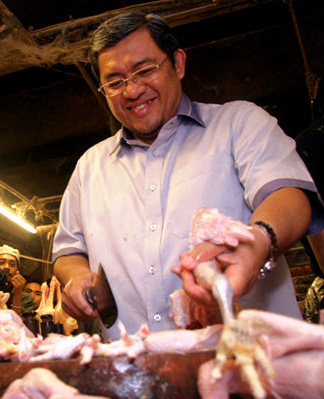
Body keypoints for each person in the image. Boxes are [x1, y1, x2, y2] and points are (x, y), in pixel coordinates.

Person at [52, 11, 323, 341]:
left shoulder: (238, 124)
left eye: (144, 70)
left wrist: (258, 241)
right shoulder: (89, 167)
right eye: (115, 81)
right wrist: (76, 277)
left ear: (178, 64)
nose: (132, 90)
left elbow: (288, 196)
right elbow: (68, 250)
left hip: (248, 370)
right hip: (135, 378)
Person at [0, 245, 35, 316]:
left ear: (17, 271)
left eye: (12, 264)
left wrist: (17, 295)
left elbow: (17, 324)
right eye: (1, 263)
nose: (7, 267)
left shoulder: (25, 298)